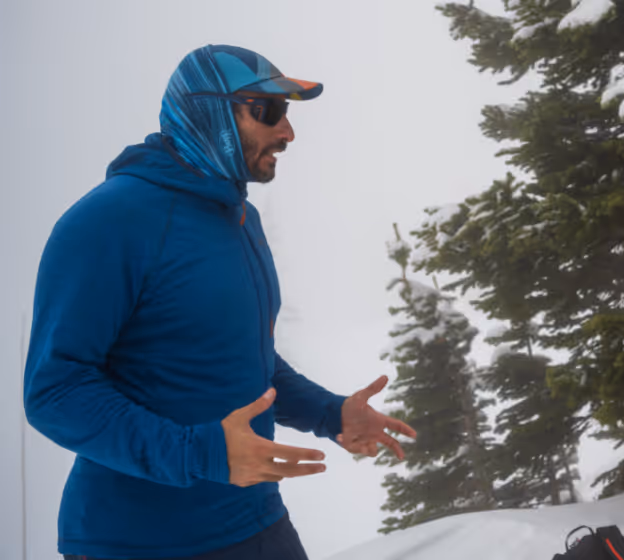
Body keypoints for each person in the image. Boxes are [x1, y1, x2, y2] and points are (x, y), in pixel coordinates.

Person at [23, 45, 416, 560]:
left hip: (258, 523)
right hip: (137, 543)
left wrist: (331, 412)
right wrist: (199, 452)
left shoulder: (239, 219)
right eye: (267, 111)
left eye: (287, 113)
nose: (287, 132)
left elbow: (240, 356)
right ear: (205, 110)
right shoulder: (109, 220)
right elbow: (55, 390)